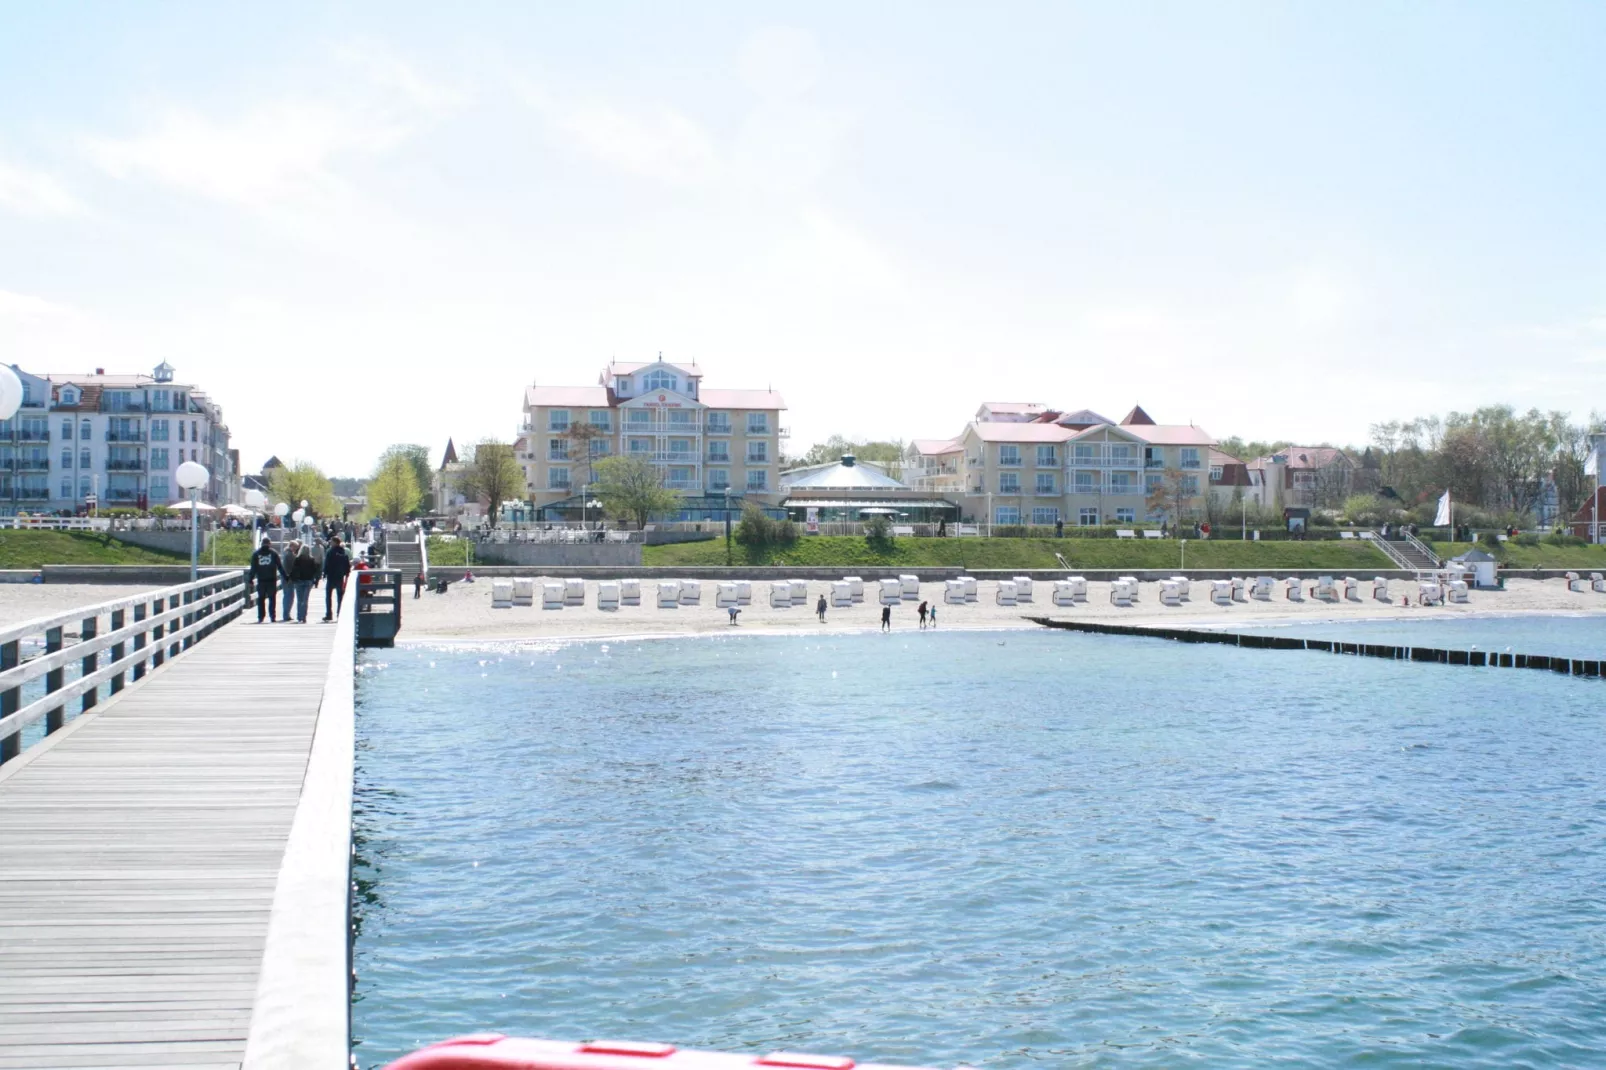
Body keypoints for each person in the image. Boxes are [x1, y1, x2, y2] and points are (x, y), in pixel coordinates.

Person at [248, 537, 284, 623]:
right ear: (269, 544)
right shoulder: (274, 553)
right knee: (272, 599)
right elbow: (279, 566)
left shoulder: (256, 554)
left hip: (261, 580)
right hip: (272, 580)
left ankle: (261, 617)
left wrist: (250, 579)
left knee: (261, 599)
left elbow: (253, 568)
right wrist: (285, 576)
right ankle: (272, 617)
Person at [320, 537, 351, 622]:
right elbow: (347, 564)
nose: (331, 543)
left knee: (328, 596)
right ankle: (340, 613)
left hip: (331, 576)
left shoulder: (330, 552)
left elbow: (327, 563)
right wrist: (346, 573)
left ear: (335, 542)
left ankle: (329, 614)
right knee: (340, 596)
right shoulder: (343, 552)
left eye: (332, 542)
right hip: (340, 576)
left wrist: (324, 573)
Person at [287, 545, 319, 623]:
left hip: (299, 581)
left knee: (299, 599)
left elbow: (294, 570)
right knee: (305, 600)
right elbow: (315, 570)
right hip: (308, 581)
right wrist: (315, 580)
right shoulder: (311, 559)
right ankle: (304, 616)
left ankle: (299, 617)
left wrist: (290, 578)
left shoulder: (297, 559)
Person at [279, 540, 301, 623]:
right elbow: (292, 567)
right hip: (288, 578)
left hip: (285, 578)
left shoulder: (286, 553)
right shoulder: (290, 555)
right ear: (291, 546)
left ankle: (286, 614)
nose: (296, 549)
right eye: (295, 547)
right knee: (289, 596)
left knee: (286, 596)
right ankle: (286, 615)